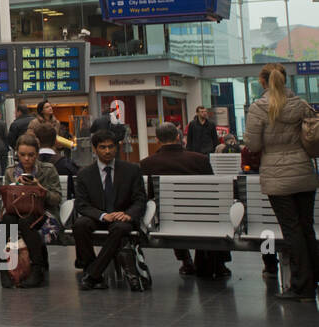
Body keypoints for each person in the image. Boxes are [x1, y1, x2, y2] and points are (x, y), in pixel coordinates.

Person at [244, 63, 319, 301]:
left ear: (264, 82)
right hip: (304, 172)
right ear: (284, 80)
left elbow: (253, 145)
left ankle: (301, 286)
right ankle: (313, 279)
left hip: (277, 176)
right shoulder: (301, 104)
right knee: (307, 228)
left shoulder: (259, 108)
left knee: (292, 230)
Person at [140, 121, 225, 279]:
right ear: (178, 137)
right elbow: (213, 191)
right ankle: (216, 263)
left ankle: (186, 261)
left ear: (157, 140)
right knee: (209, 210)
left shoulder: (146, 164)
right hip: (201, 217)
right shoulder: (200, 159)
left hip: (165, 218)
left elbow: (147, 195)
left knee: (170, 211)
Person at [74, 131, 147, 291]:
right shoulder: (84, 174)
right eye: (102, 147)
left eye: (110, 147)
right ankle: (95, 273)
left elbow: (140, 199)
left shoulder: (131, 170)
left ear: (116, 148)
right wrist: (102, 215)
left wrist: (128, 214)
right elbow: (81, 204)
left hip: (122, 218)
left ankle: (93, 274)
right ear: (95, 149)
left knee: (120, 228)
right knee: (80, 225)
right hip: (98, 216)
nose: (107, 151)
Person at [0, 135, 61, 289]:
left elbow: (56, 199)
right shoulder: (10, 171)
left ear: (37, 154)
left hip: (43, 213)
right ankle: (4, 268)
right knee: (7, 221)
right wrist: (16, 187)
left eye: (31, 155)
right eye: (22, 155)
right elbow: (6, 199)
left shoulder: (47, 170)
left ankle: (36, 268)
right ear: (17, 154)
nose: (26, 159)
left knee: (26, 222)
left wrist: (39, 188)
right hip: (17, 211)